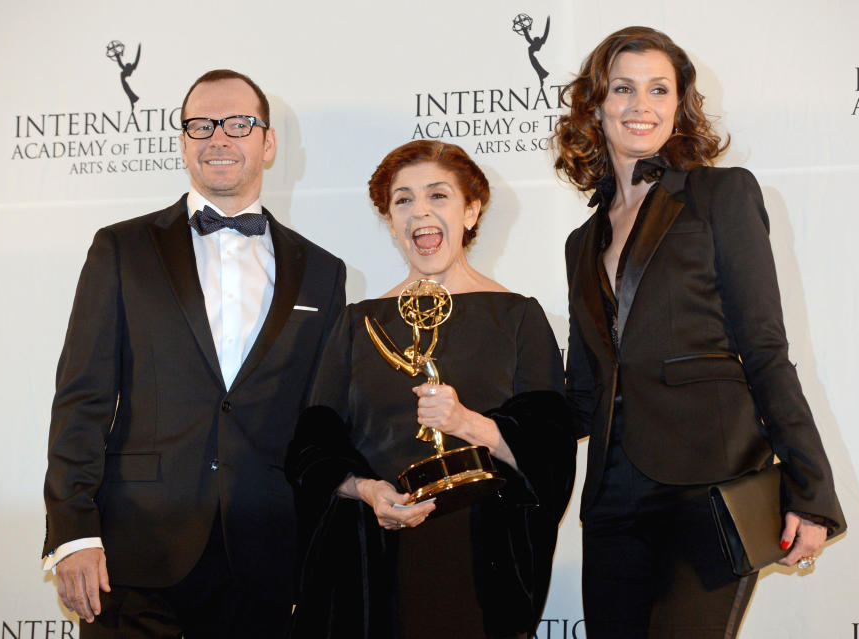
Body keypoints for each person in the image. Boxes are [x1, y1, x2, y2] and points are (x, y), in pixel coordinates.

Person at [552, 26, 845, 639]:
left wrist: (810, 491)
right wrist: (484, 428)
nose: (641, 106)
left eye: (659, 89)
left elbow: (765, 348)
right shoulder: (582, 242)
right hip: (612, 497)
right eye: (623, 89)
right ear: (596, 105)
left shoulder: (720, 194)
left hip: (710, 480)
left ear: (680, 104)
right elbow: (582, 391)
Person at [42, 69, 346, 638]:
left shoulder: (323, 272)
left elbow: (319, 422)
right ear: (183, 141)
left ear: (268, 142)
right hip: (132, 553)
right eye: (201, 125)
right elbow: (81, 397)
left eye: (238, 123)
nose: (218, 137)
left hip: (263, 552)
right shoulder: (121, 249)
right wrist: (72, 530)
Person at [286, 140, 576, 639]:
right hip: (370, 561)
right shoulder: (357, 323)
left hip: (481, 558)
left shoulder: (519, 317)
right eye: (403, 200)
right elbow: (313, 449)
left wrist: (467, 423)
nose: (419, 210)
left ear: (472, 210)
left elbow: (551, 452)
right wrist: (368, 491)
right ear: (391, 219)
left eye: (438, 195)